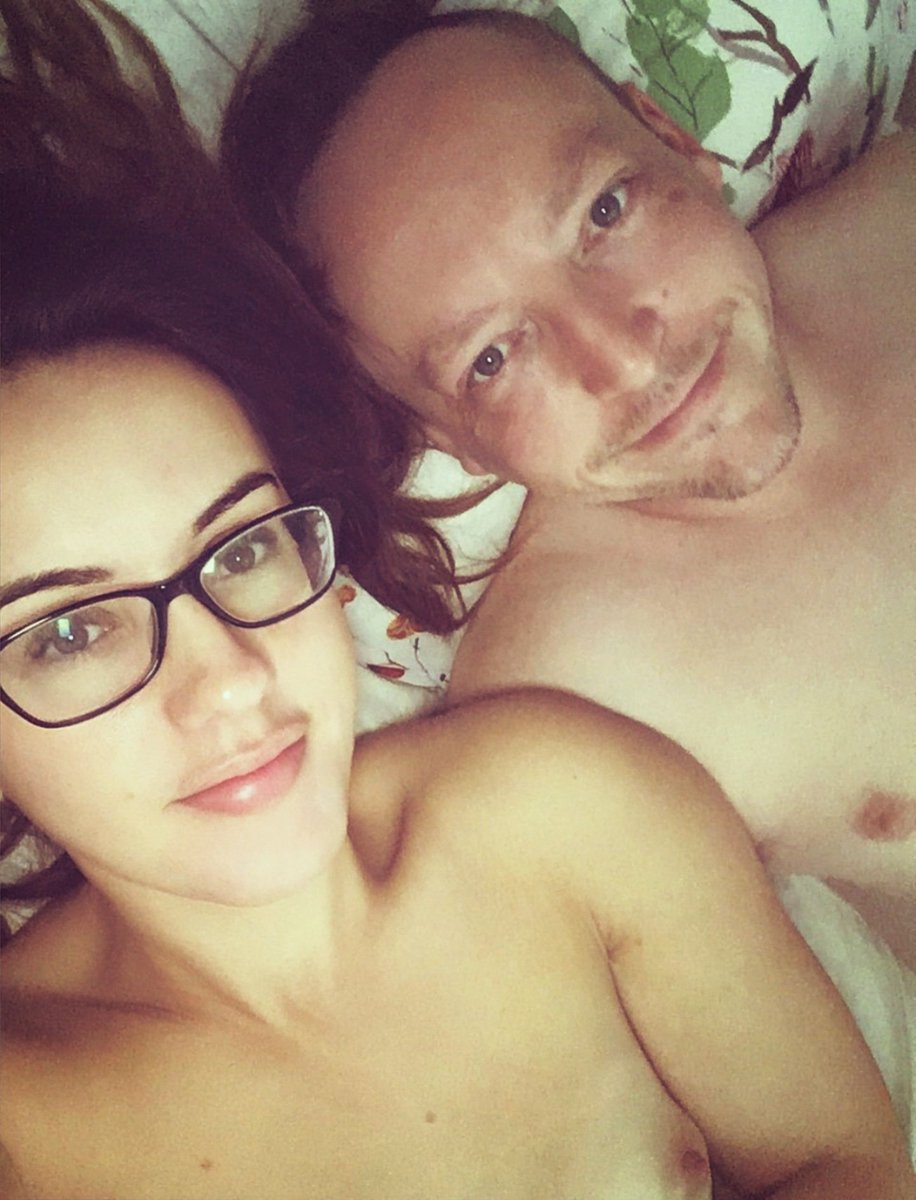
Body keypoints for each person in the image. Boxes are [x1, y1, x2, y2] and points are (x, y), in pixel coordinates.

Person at [2, 5, 914, 1197]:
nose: (229, 682)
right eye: (67, 631)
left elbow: (838, 1157)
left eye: (242, 548)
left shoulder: (557, 794)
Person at [221, 3, 916, 963]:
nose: (627, 358)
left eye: (604, 212)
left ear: (676, 143)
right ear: (448, 441)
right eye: (492, 358)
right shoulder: (573, 702)